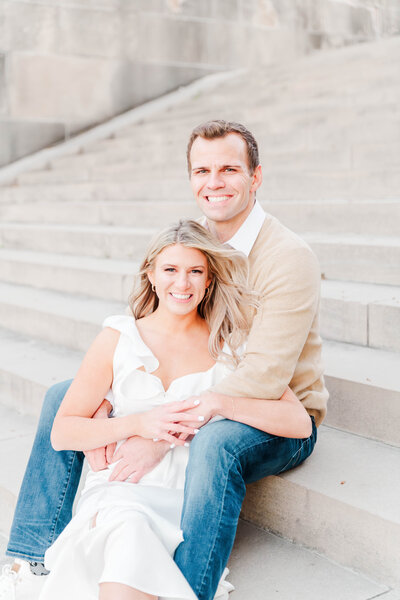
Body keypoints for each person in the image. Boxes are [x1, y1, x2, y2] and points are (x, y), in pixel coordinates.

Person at [1, 120, 328, 600]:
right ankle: (30, 560)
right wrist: (114, 417)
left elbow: (263, 375)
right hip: (208, 390)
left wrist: (159, 436)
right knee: (62, 397)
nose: (213, 182)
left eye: (229, 169)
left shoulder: (287, 256)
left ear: (256, 177)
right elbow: (159, 330)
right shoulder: (197, 244)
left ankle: (190, 587)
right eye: (202, 170)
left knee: (215, 443)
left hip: (269, 413)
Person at [41, 219, 310, 600]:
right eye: (170, 270)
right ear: (151, 275)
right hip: (121, 490)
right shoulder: (119, 338)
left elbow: (299, 423)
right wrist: (138, 424)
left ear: (209, 280)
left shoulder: (231, 346)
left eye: (195, 271)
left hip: (186, 502)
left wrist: (219, 403)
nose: (182, 284)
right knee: (127, 532)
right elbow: (63, 431)